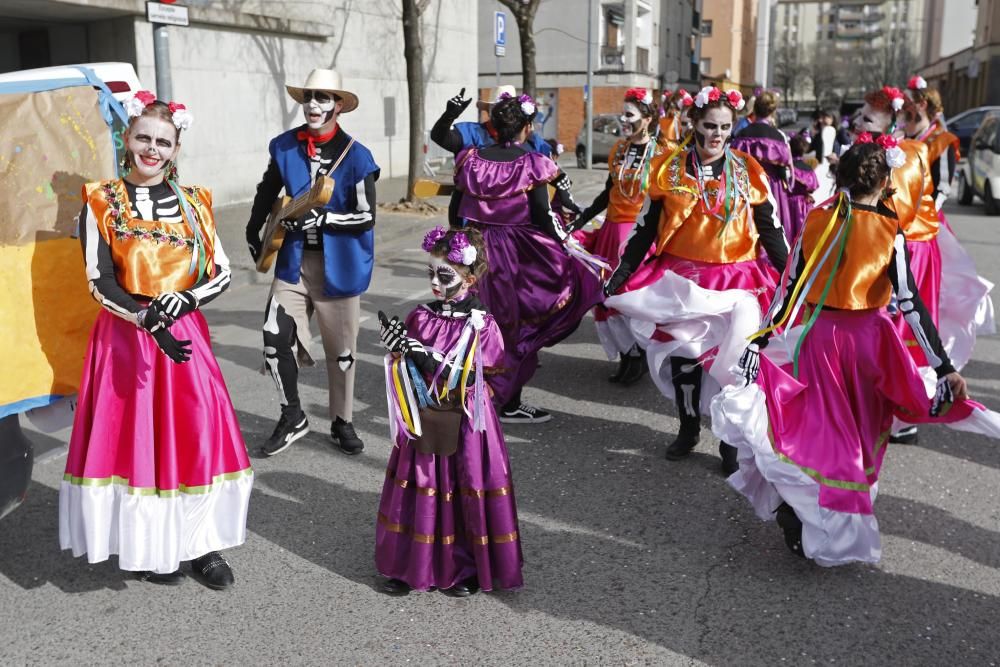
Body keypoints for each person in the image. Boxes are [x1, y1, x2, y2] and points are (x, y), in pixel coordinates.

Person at [718, 138, 1000, 566]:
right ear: (888, 180)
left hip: (820, 341)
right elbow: (910, 302)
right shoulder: (890, 228)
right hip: (870, 344)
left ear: (842, 178)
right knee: (860, 436)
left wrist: (764, 335)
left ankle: (801, 507)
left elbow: (791, 286)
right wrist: (942, 366)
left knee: (821, 431)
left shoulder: (818, 219)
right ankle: (823, 520)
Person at [60, 93, 251, 589]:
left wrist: (183, 303)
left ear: (176, 146)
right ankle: (148, 546)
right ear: (126, 138)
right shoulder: (99, 200)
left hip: (184, 336)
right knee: (136, 441)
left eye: (162, 141)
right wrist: (146, 316)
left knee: (195, 434)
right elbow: (98, 279)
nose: (152, 149)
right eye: (143, 137)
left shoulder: (196, 203)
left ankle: (201, 545)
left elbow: (221, 272)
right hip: (127, 338)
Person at [604, 86, 788, 474]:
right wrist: (621, 274)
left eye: (724, 127)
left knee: (733, 366)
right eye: (709, 126)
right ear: (693, 123)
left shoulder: (748, 171)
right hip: (683, 281)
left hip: (737, 281)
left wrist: (792, 276)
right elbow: (644, 230)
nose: (717, 135)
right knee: (684, 358)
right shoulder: (667, 169)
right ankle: (688, 427)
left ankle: (728, 440)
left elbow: (770, 229)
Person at [375, 227, 522, 597]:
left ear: (470, 279)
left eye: (445, 275)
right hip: (425, 412)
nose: (436, 283)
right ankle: (409, 566)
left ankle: (466, 568)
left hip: (466, 420)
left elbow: (472, 375)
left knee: (466, 485)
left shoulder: (482, 323)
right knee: (420, 482)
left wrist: (418, 352)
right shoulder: (420, 316)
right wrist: (398, 352)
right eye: (431, 274)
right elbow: (406, 366)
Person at [245, 69, 379, 456]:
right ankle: (292, 415)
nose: (314, 105)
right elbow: (268, 188)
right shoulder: (284, 146)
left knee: (342, 352)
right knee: (273, 335)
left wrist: (324, 218)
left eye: (323, 98)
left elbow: (366, 215)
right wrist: (254, 230)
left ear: (339, 105)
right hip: (292, 259)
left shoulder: (357, 154)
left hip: (339, 265)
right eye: (309, 98)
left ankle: (342, 420)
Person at [450, 93, 604, 424]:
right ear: (527, 127)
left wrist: (459, 245)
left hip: (474, 248)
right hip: (515, 250)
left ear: (494, 127)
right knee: (515, 326)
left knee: (475, 323)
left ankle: (472, 393)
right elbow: (542, 214)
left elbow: (454, 211)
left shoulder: (470, 159)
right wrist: (567, 244)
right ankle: (506, 402)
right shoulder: (532, 162)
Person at [569, 88, 667, 384]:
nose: (624, 120)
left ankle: (640, 353)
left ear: (648, 118)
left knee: (631, 297)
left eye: (630, 115)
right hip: (612, 231)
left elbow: (667, 201)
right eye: (623, 114)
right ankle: (628, 354)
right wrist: (581, 218)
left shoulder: (663, 155)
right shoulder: (619, 150)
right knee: (606, 298)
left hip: (638, 235)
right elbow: (608, 193)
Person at [430, 86, 582, 218]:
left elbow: (547, 166)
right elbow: (441, 137)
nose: (502, 114)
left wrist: (560, 179)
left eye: (506, 109)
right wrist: (448, 116)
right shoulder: (472, 132)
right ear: (490, 111)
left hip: (516, 218)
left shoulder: (530, 139)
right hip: (473, 218)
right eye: (498, 109)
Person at [731, 91, 794, 243]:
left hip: (748, 184)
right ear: (773, 111)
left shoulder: (742, 133)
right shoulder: (779, 136)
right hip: (772, 186)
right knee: (773, 228)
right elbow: (786, 168)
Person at [785, 134, 819, 242]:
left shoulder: (788, 167)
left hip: (789, 203)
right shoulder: (808, 168)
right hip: (804, 204)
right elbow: (813, 187)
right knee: (804, 234)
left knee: (789, 233)